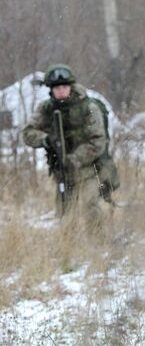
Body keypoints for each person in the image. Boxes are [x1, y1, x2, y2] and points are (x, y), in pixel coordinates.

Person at [22, 64, 118, 237]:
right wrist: (45, 140)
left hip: (88, 168)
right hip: (61, 170)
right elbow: (27, 133)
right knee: (65, 212)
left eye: (64, 87)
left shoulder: (88, 107)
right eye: (57, 88)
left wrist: (77, 157)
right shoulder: (46, 109)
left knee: (89, 205)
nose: (61, 91)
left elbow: (98, 140)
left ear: (71, 86)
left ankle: (98, 246)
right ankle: (69, 247)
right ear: (51, 90)